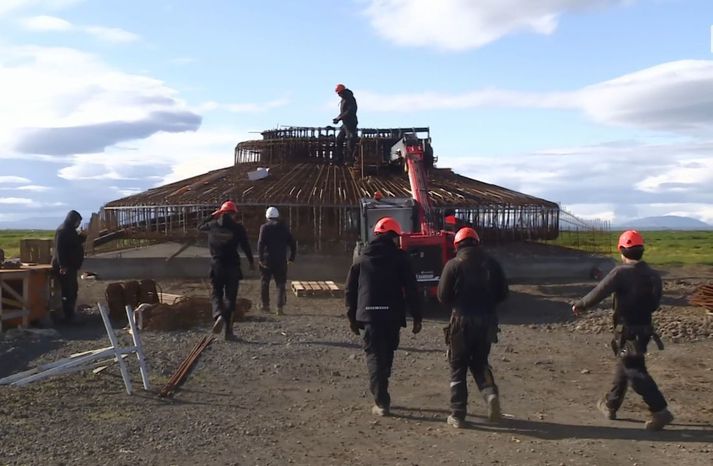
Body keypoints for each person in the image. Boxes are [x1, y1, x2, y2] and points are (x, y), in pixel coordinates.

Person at [572, 230, 673, 431]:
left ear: (621, 250)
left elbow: (599, 292)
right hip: (645, 329)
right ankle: (611, 404)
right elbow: (654, 305)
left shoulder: (620, 273)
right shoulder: (653, 275)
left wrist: (581, 305)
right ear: (642, 250)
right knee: (625, 363)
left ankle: (660, 410)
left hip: (628, 330)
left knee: (634, 370)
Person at [345, 217, 422, 416]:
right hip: (392, 316)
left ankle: (381, 400)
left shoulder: (361, 259)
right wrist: (417, 316)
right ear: (393, 237)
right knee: (387, 355)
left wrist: (351, 317)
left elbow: (350, 290)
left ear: (377, 235)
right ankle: (382, 394)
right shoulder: (401, 258)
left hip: (369, 316)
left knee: (374, 356)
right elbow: (412, 289)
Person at [437, 227, 509, 428]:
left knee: (458, 366)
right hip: (486, 321)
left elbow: (443, 296)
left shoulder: (453, 264)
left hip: (461, 321)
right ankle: (490, 393)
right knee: (480, 362)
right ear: (477, 242)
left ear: (457, 245)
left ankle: (458, 414)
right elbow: (503, 293)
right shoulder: (492, 264)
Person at [199, 200, 255, 341]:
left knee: (216, 293)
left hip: (216, 265)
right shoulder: (238, 228)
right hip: (233, 267)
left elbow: (199, 226)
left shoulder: (212, 226)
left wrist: (213, 215)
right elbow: (246, 246)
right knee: (230, 298)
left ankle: (218, 314)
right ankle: (228, 332)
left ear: (221, 213)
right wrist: (251, 262)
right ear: (234, 214)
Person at [257, 206, 297, 315]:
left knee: (265, 282)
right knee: (280, 283)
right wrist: (291, 258)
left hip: (267, 259)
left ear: (267, 217)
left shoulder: (264, 227)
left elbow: (260, 243)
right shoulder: (284, 228)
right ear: (277, 216)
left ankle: (265, 305)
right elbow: (292, 243)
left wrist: (260, 258)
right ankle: (279, 307)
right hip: (280, 260)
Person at [52, 210, 86, 324]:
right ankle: (68, 316)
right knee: (68, 291)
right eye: (77, 222)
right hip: (65, 266)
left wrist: (82, 236)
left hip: (70, 266)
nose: (78, 224)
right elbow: (59, 250)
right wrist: (63, 265)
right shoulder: (62, 231)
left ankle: (70, 313)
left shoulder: (70, 231)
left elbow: (74, 244)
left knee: (72, 290)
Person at [332, 83, 358, 166]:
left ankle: (350, 160)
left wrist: (339, 118)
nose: (338, 95)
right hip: (345, 124)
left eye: (339, 93)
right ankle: (340, 159)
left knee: (350, 141)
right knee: (339, 139)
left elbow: (350, 111)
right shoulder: (344, 99)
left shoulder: (350, 99)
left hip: (350, 123)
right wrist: (338, 118)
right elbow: (344, 112)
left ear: (342, 92)